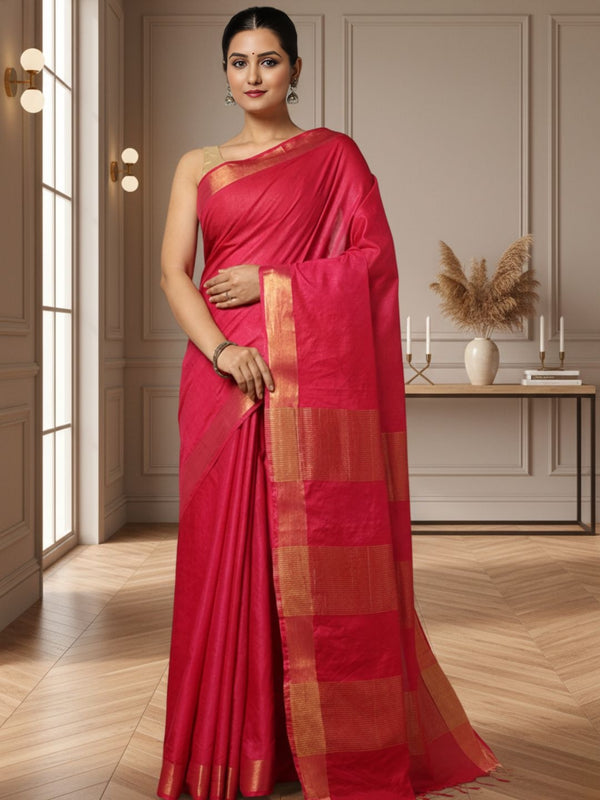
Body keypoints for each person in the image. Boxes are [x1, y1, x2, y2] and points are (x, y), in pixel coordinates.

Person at [157, 7, 498, 800]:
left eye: (268, 60)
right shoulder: (196, 165)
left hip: (303, 383)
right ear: (224, 73)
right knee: (225, 563)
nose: (252, 75)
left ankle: (319, 742)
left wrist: (272, 282)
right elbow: (175, 273)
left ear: (296, 70)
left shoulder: (335, 155)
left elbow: (374, 260)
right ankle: (231, 751)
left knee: (309, 562)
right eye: (238, 61)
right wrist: (224, 351)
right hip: (221, 379)